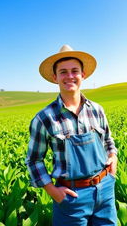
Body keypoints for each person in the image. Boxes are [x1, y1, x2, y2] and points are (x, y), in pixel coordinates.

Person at [25, 45, 118, 225]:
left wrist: (113, 157)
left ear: (83, 75)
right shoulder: (44, 118)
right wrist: (53, 191)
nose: (70, 76)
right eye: (63, 72)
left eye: (75, 71)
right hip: (71, 197)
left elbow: (108, 140)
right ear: (55, 77)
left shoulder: (97, 110)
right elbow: (33, 160)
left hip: (105, 190)